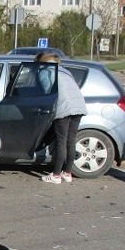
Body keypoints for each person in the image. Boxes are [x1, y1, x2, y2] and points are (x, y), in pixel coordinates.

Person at [38, 53, 87, 184]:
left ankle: (56, 175)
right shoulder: (65, 71)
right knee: (71, 140)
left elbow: (47, 91)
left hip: (64, 108)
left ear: (43, 63)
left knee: (61, 141)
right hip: (79, 106)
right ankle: (67, 173)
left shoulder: (46, 72)